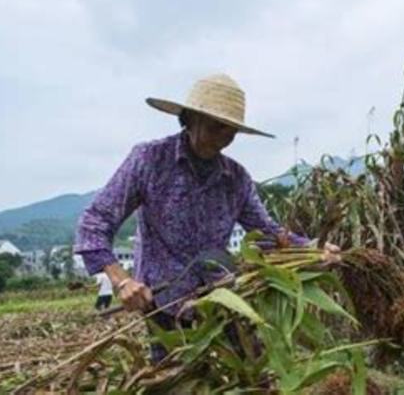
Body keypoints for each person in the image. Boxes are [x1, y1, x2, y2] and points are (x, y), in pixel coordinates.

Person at [74, 73, 340, 362]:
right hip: (165, 302)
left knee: (250, 373)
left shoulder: (235, 178)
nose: (223, 139)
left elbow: (266, 233)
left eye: (231, 132)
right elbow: (95, 222)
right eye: (216, 127)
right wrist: (122, 281)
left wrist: (312, 249)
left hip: (222, 296)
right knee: (175, 378)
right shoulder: (149, 161)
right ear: (189, 119)